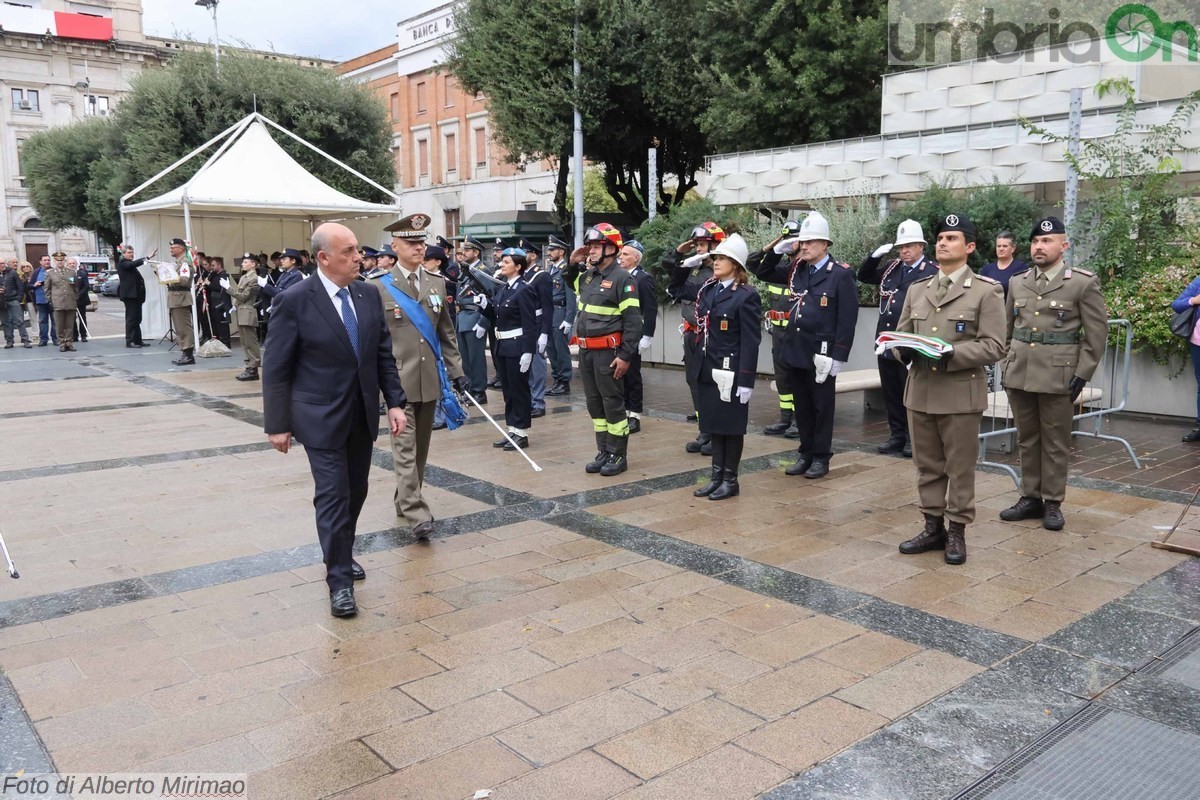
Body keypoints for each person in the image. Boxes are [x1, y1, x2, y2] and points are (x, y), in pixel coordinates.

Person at [263, 223, 407, 618]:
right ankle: (339, 581)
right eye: (348, 251)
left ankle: (342, 550)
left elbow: (382, 353)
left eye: (358, 249)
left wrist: (395, 402)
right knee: (333, 495)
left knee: (356, 491)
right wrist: (277, 423)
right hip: (319, 417)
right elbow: (275, 367)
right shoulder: (294, 300)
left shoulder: (367, 294)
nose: (359, 257)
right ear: (323, 257)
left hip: (361, 413)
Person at [895, 214, 1006, 565]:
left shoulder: (987, 291)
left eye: (952, 238)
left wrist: (951, 353)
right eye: (940, 237)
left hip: (959, 392)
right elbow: (902, 334)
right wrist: (900, 348)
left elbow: (994, 346)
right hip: (921, 390)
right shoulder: (918, 289)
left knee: (959, 467)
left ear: (969, 247)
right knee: (927, 465)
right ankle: (932, 526)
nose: (943, 243)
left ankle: (956, 530)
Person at [1000, 216, 1108, 531]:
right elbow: (1007, 328)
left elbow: (1096, 333)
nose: (1039, 247)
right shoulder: (1018, 281)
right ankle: (1030, 496)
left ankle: (1052, 502)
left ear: (1063, 245)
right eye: (1035, 241)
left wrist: (1083, 372)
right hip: (1020, 372)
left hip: (1060, 374)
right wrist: (1008, 360)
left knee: (1056, 441)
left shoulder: (1082, 282)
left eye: (1047, 241)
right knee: (1027, 438)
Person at [378, 213, 469, 538]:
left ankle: (405, 501)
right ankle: (418, 514)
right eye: (411, 243)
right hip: (396, 385)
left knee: (420, 450)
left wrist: (457, 372)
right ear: (395, 246)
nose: (419, 248)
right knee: (404, 448)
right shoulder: (377, 287)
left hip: (430, 380)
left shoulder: (436, 283)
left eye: (421, 242)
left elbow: (446, 333)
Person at [749, 212, 858, 479]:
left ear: (825, 244)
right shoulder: (797, 269)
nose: (804, 246)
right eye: (802, 242)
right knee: (803, 406)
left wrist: (839, 356)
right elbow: (761, 270)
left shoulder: (840, 275)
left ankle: (821, 456)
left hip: (821, 353)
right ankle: (805, 452)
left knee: (822, 407)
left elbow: (847, 319)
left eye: (810, 242)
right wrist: (777, 250)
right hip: (795, 348)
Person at [690, 234, 762, 501]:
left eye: (721, 258)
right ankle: (716, 476)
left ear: (735, 263)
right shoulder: (709, 290)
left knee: (731, 427)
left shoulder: (745, 296)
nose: (715, 262)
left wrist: (746, 380)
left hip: (731, 372)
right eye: (715, 257)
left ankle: (730, 480)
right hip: (708, 368)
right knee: (713, 424)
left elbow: (751, 341)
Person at [858, 219, 938, 458]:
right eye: (901, 247)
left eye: (910, 246)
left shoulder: (932, 272)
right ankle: (897, 435)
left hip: (910, 342)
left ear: (921, 247)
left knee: (911, 393)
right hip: (886, 340)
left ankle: (915, 439)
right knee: (891, 392)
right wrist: (874, 257)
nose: (904, 251)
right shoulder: (893, 268)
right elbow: (864, 276)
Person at [570, 223, 643, 476]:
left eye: (596, 246)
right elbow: (570, 283)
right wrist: (572, 263)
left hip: (609, 354)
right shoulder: (589, 276)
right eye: (590, 245)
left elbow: (634, 322)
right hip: (587, 353)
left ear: (611, 248)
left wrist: (625, 356)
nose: (590, 250)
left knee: (612, 403)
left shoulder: (624, 278)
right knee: (595, 404)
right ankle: (603, 451)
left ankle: (617, 454)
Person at [665, 222, 722, 455]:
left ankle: (716, 433)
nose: (698, 249)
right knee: (694, 381)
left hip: (711, 335)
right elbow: (669, 270)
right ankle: (705, 430)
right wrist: (680, 252)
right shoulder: (694, 268)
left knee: (711, 383)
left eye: (702, 244)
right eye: (696, 244)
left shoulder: (721, 270)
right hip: (691, 332)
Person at [482, 246, 537, 448]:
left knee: (518, 389)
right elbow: (496, 316)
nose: (501, 265)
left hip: (517, 346)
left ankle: (522, 432)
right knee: (508, 390)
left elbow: (530, 323)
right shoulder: (505, 288)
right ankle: (513, 429)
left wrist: (528, 352)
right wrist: (484, 305)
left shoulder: (525, 289)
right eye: (502, 261)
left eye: (506, 262)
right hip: (502, 346)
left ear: (518, 266)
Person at [753, 220, 801, 440]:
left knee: (798, 376)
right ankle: (785, 418)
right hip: (778, 334)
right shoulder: (779, 270)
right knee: (782, 378)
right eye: (787, 240)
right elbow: (755, 266)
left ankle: (800, 421)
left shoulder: (804, 271)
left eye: (794, 240)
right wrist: (774, 246)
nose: (791, 244)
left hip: (798, 334)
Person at [618, 240, 658, 434]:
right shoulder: (619, 277)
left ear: (636, 258)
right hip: (619, 332)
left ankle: (634, 414)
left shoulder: (643, 278)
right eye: (621, 254)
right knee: (620, 374)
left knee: (632, 375)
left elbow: (650, 309)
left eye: (625, 254)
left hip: (634, 333)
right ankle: (624, 410)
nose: (621, 257)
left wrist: (647, 336)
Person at [454, 237, 492, 404]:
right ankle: (469, 389)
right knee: (465, 359)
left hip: (475, 317)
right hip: (463, 317)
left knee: (476, 359)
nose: (463, 253)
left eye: (467, 250)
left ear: (476, 252)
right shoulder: (466, 269)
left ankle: (479, 391)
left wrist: (484, 322)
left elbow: (491, 297)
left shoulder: (483, 271)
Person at [544, 234, 577, 396]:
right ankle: (557, 379)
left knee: (561, 350)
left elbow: (571, 296)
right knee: (551, 350)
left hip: (560, 313)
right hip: (550, 313)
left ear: (561, 251)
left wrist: (569, 319)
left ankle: (564, 382)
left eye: (552, 249)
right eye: (549, 249)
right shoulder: (550, 269)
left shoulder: (566, 270)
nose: (549, 252)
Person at [164, 238, 196, 366]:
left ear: (181, 248)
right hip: (175, 296)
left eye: (173, 247)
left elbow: (184, 280)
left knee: (184, 327)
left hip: (181, 296)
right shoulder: (177, 262)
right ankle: (184, 352)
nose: (171, 250)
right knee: (179, 327)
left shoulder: (185, 263)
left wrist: (169, 274)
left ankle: (188, 354)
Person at [231, 253, 263, 381]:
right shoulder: (244, 277)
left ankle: (253, 368)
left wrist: (228, 288)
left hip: (248, 310)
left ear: (253, 264)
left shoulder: (254, 278)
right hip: (242, 310)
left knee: (251, 341)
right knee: (244, 342)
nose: (242, 264)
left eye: (245, 262)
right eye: (243, 262)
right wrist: (234, 304)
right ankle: (249, 367)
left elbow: (244, 296)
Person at [117, 245, 155, 348]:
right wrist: (147, 258)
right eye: (129, 252)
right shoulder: (123, 263)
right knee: (131, 319)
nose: (131, 254)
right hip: (130, 296)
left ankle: (137, 340)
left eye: (132, 252)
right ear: (123, 253)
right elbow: (133, 264)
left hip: (136, 295)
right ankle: (130, 341)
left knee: (137, 319)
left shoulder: (129, 264)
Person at [43, 253, 77, 352]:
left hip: (70, 301)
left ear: (64, 261)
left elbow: (75, 287)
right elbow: (47, 288)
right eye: (58, 260)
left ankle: (69, 342)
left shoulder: (71, 273)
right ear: (55, 261)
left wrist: (75, 298)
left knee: (70, 325)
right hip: (58, 302)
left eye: (61, 260)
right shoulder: (50, 273)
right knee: (59, 325)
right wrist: (50, 300)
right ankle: (62, 343)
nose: (60, 262)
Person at [979, 231, 1031, 296]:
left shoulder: (1021, 268)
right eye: (998, 246)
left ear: (1013, 248)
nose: (1001, 249)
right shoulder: (987, 269)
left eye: (1005, 246)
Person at [1, 258, 32, 348]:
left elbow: (20, 286)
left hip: (13, 299)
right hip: (2, 301)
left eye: (3, 263)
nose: (2, 265)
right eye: (0, 263)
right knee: (6, 322)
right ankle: (9, 341)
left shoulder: (12, 273)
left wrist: (18, 298)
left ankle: (25, 340)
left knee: (19, 321)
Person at [32, 254, 53, 346]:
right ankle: (43, 339)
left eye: (48, 260)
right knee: (42, 321)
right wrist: (34, 284)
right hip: (41, 300)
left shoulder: (54, 271)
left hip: (53, 300)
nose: (47, 262)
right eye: (45, 260)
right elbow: (29, 285)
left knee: (55, 320)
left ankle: (55, 338)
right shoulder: (36, 272)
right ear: (40, 262)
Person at [70, 257, 91, 342]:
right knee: (72, 318)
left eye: (73, 263)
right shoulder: (67, 275)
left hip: (81, 299)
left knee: (82, 317)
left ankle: (83, 335)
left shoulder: (82, 273)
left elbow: (86, 286)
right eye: (70, 263)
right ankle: (74, 335)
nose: (72, 265)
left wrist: (78, 295)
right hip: (71, 300)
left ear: (76, 264)